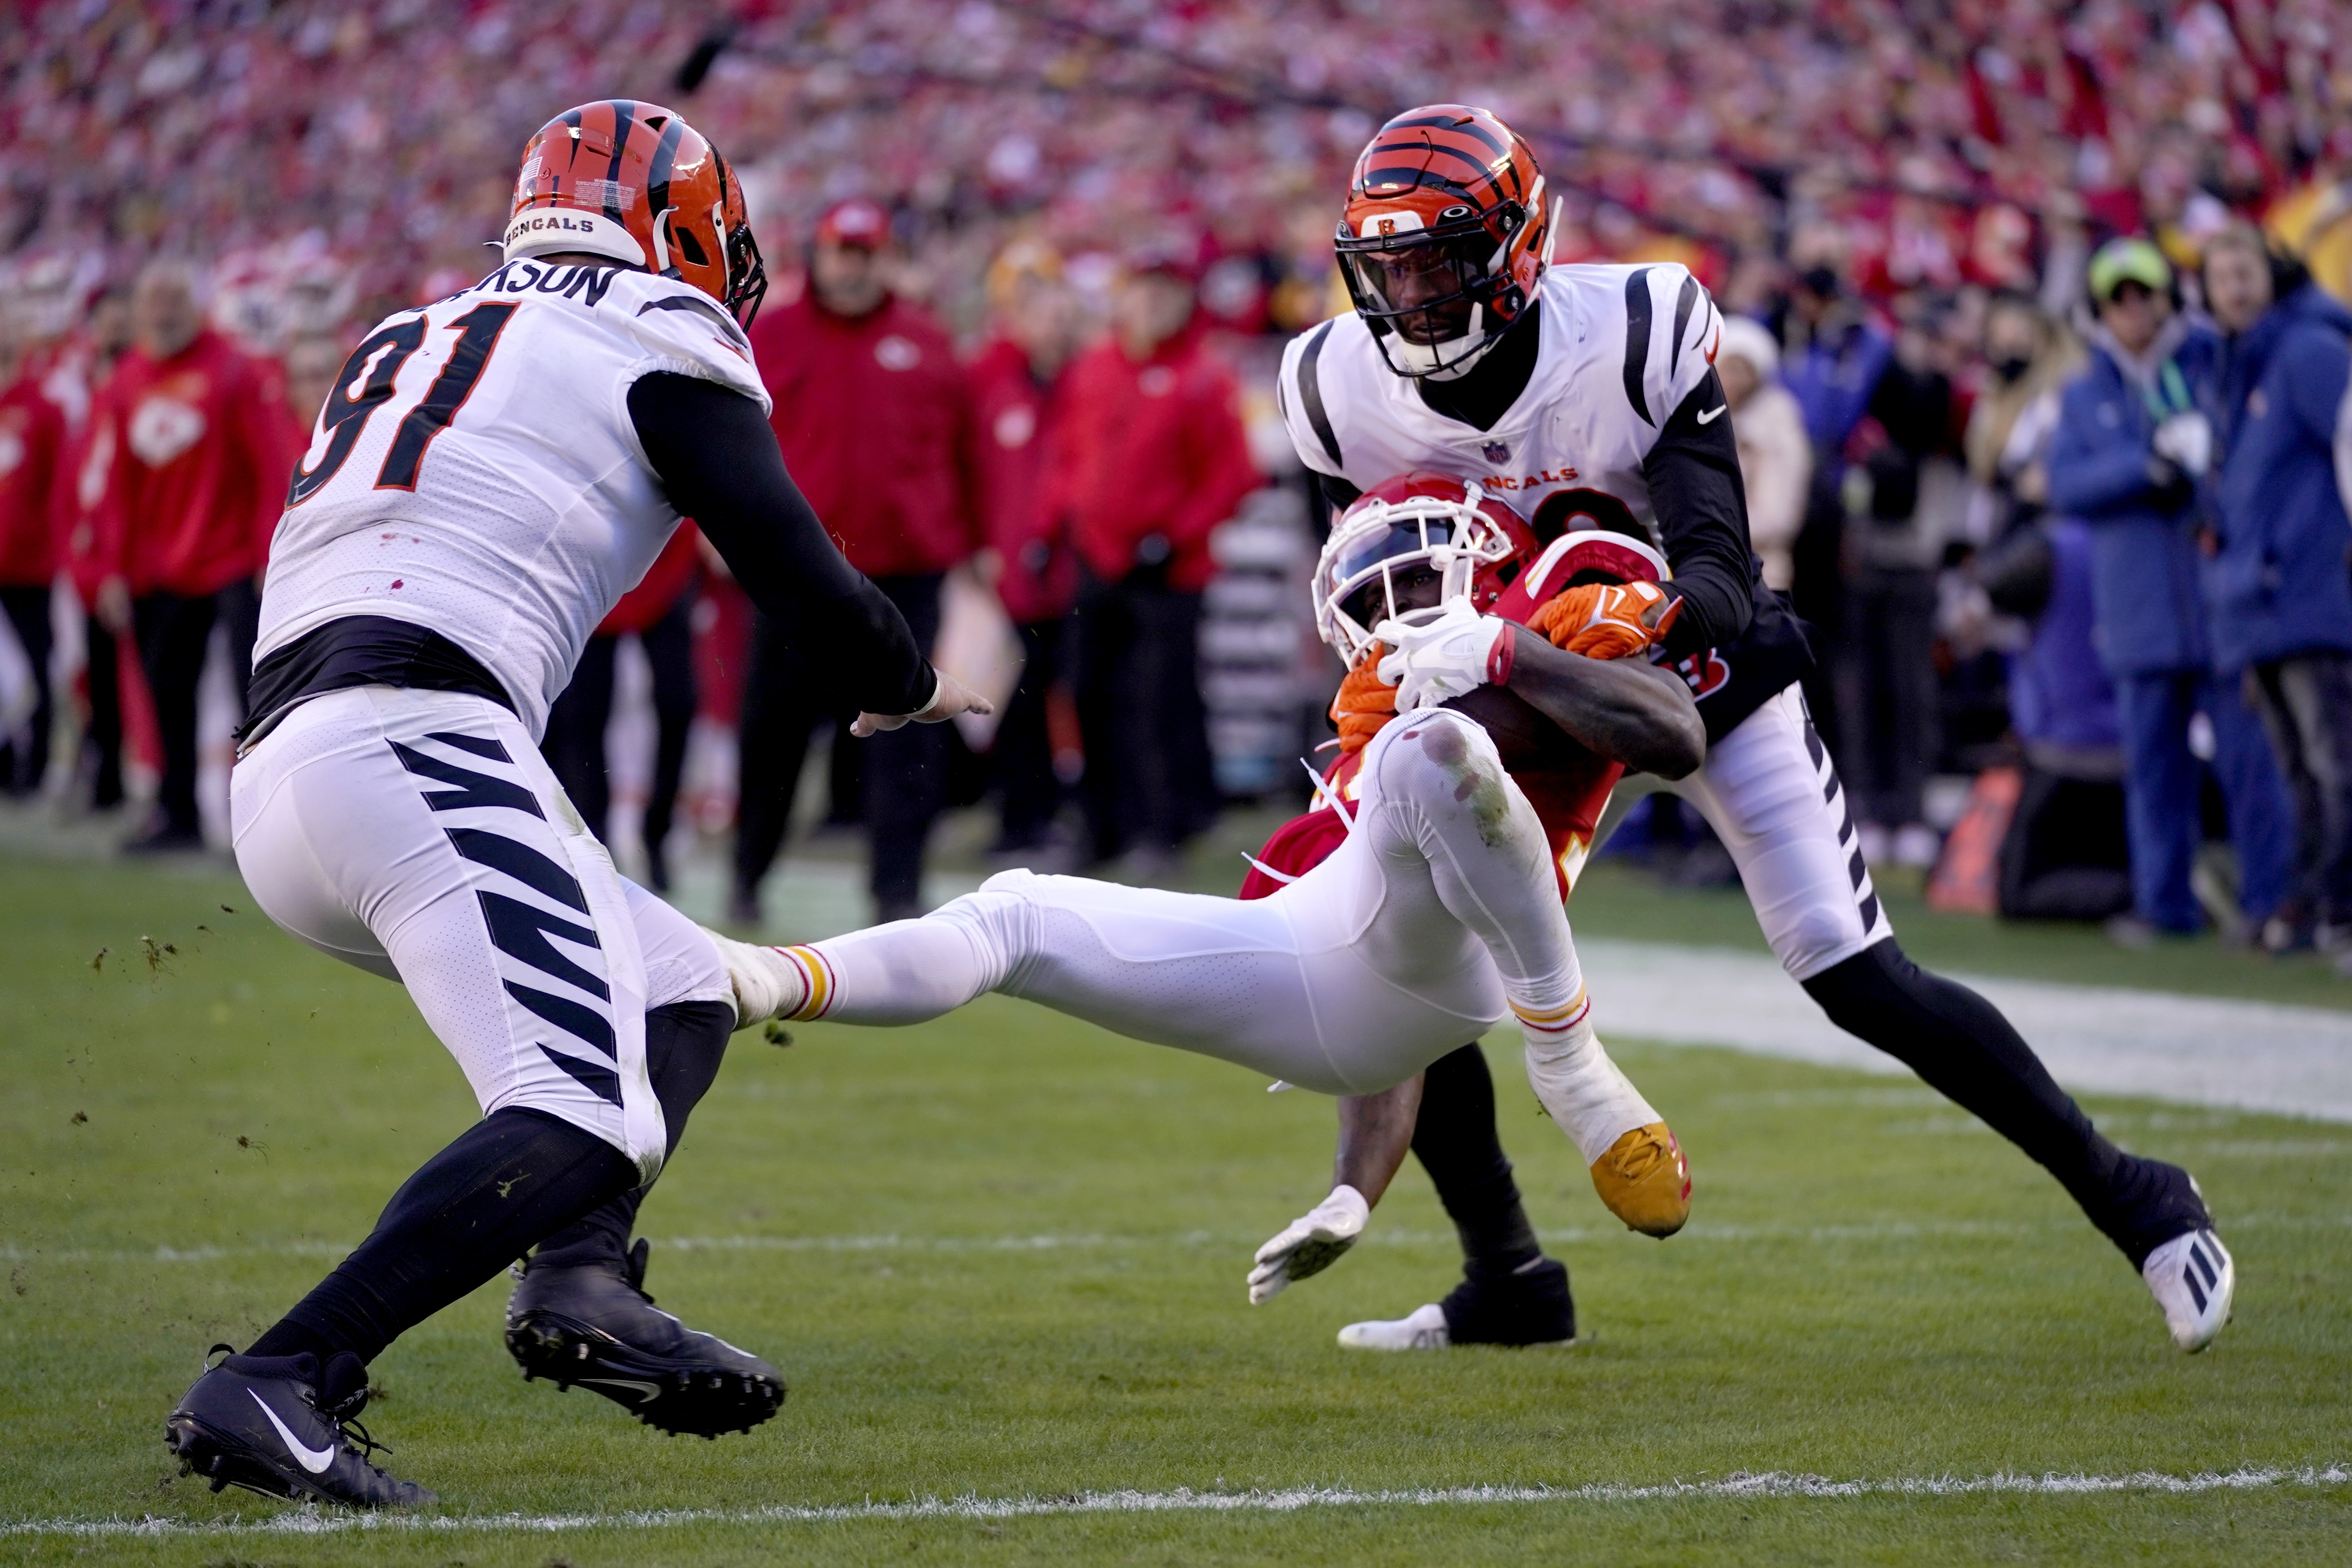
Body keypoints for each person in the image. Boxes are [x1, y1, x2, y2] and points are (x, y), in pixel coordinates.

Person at [1270, 107, 2233, 1356]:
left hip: (1681, 669)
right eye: (1387, 267)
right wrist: (1430, 666)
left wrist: (1565, 642)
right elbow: (1359, 586)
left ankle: (2140, 1201)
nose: (1410, 294)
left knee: (1849, 966)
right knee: (1405, 938)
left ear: (1515, 249)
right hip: (1502, 695)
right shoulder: (1334, 389)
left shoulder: (1628, 332)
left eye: (1440, 259)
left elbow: (1720, 571)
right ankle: (1508, 1276)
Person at [163, 102, 989, 1509]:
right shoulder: (660, 332)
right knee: (591, 1110)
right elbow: (794, 569)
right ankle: (287, 1373)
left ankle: (582, 1279)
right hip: (418, 736)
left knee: (677, 983)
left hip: (307, 754)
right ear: (687, 229)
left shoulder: (407, 329)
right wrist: (908, 677)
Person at [722, 475, 1707, 1286]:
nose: (1390, 612)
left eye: (1410, 579)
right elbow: (1381, 983)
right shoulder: (1369, 719)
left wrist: (1506, 651)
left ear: (1487, 574)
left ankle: (1572, 1061)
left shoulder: (1542, 628)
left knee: (1431, 745)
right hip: (1329, 977)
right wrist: (1353, 1192)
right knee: (1015, 912)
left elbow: (1670, 732)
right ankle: (764, 980)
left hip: (1479, 965)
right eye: (1366, 600)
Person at [732, 196, 984, 924]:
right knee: (773, 735)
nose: (852, 266)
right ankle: (750, 874)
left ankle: (897, 890)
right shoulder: (770, 338)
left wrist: (976, 545)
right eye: (841, 251)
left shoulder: (927, 343)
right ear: (818, 254)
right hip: (795, 574)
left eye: (865, 252)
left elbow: (964, 454)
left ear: (886, 258)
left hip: (904, 576)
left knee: (906, 734)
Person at [2045, 237, 2292, 946]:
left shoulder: (2208, 363)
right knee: (2154, 774)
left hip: (2219, 606)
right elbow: (2064, 486)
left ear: (2165, 298)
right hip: (2138, 614)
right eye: (2117, 298)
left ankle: (2267, 904)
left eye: (2143, 294)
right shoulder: (2085, 391)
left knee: (2249, 765)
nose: (2132, 309)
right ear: (2100, 308)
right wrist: (2143, 465)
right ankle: (2164, 907)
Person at [1051, 249, 1261, 873]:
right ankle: (1100, 827)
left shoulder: (1203, 376)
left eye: (1164, 293)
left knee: (1155, 702)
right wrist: (1054, 525)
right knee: (1086, 693)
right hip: (1097, 557)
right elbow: (1069, 457)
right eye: (1142, 291)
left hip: (1168, 572)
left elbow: (1233, 475)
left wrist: (1176, 534)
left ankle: (1159, 830)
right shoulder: (1094, 369)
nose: (1151, 306)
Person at [84, 262, 292, 849]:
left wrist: (265, 555)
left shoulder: (234, 370)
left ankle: (262, 827)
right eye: (154, 302)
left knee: (251, 697)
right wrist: (113, 570)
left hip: (229, 564)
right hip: (158, 569)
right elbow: (116, 485)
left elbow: (268, 469)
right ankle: (176, 818)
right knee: (165, 696)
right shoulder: (126, 380)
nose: (164, 314)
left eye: (175, 300)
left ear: (196, 306)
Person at [2201, 222, 2352, 962]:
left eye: (2243, 272)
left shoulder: (2306, 351)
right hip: (2257, 600)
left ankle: (2338, 909)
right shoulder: (2242, 364)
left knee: (2332, 760)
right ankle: (2312, 904)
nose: (2231, 288)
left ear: (2273, 274)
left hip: (2303, 593)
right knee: (2297, 770)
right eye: (2217, 276)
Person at [967, 240, 1082, 859]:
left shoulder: (1080, 385)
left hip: (1066, 576)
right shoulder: (991, 383)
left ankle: (1057, 817)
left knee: (1066, 701)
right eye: (1041, 315)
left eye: (1061, 317)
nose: (1052, 330)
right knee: (1009, 705)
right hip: (1005, 578)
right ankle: (1016, 819)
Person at [541, 524, 702, 891]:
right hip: (596, 555)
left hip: (665, 548)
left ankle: (657, 832)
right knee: (585, 714)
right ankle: (595, 841)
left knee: (678, 703)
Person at [0, 315, 69, 795]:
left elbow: (57, 487)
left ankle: (37, 762)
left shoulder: (41, 407)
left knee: (37, 664)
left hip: (29, 565)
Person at [1711, 314, 1810, 595]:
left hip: (1759, 572)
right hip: (1709, 568)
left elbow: (1778, 515)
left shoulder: (1776, 426)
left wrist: (1711, 532)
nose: (1731, 379)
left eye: (1741, 370)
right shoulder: (1705, 420)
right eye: (1726, 367)